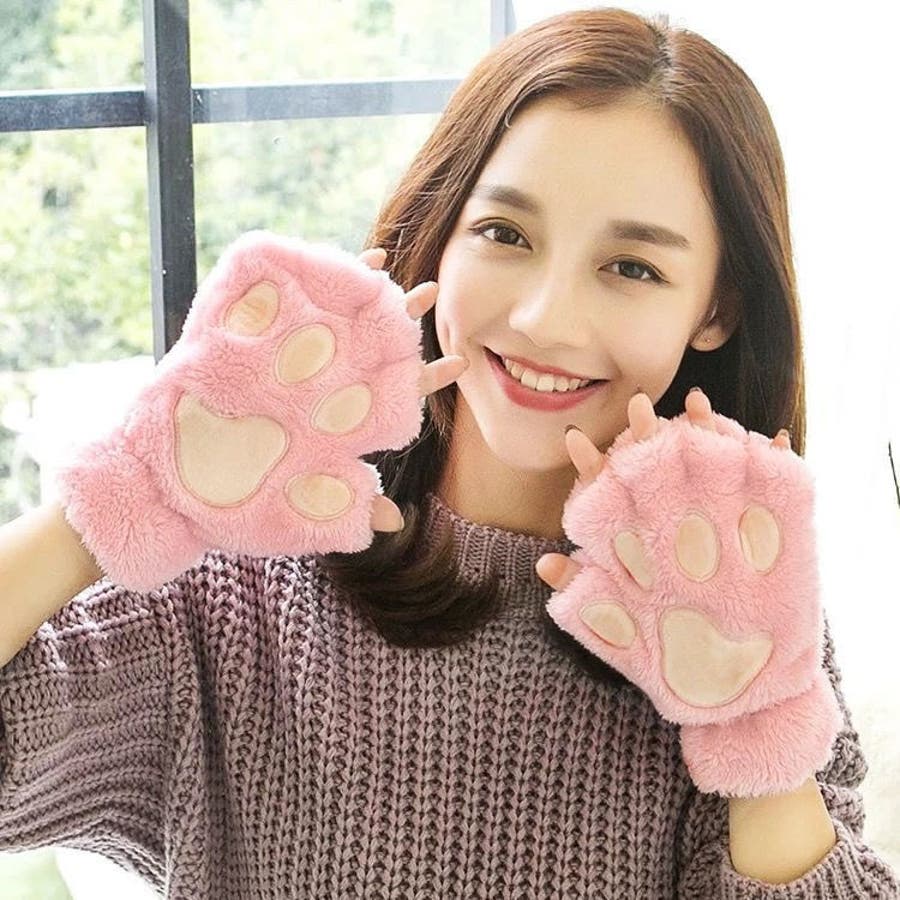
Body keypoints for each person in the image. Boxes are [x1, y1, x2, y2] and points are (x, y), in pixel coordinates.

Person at [0, 7, 897, 898]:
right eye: (505, 234)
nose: (546, 318)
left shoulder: (729, 614)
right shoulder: (249, 575)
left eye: (632, 267)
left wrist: (756, 728)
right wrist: (129, 493)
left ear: (717, 308)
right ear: (441, 231)